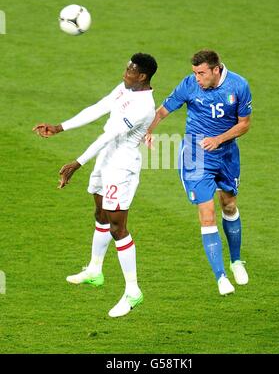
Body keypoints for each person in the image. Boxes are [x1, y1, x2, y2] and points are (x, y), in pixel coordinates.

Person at [33, 53, 157, 317]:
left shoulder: (144, 106)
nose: (125, 72)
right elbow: (99, 107)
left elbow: (109, 134)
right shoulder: (125, 88)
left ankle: (133, 291)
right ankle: (95, 270)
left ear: (143, 76)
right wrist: (59, 127)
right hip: (106, 157)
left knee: (117, 226)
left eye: (131, 70)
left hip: (122, 165)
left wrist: (76, 163)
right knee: (99, 213)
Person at [145, 49, 252, 296]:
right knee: (207, 214)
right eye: (194, 72)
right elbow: (163, 110)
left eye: (201, 73)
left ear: (216, 70)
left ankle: (236, 261)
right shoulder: (189, 85)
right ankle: (221, 277)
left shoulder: (238, 85)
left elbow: (244, 124)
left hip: (226, 154)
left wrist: (219, 139)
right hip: (195, 156)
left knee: (229, 205)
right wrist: (148, 129)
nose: (197, 78)